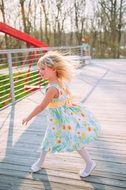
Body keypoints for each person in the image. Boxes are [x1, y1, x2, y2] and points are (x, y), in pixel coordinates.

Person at [22, 51, 101, 178]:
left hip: (60, 120)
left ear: (53, 69)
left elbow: (42, 106)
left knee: (72, 140)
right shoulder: (59, 81)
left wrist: (28, 117)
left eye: (43, 69)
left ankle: (89, 162)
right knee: (50, 139)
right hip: (62, 117)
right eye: (39, 69)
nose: (40, 72)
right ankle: (40, 162)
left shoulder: (52, 89)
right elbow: (67, 94)